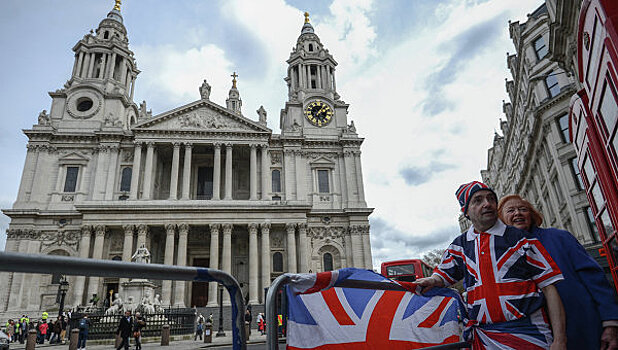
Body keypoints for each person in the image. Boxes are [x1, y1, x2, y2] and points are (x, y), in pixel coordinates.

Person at [415, 181, 566, 349]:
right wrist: (432, 280)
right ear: (466, 211)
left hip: (530, 334)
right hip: (485, 339)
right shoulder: (459, 246)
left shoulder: (522, 239)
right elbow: (442, 275)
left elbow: (549, 288)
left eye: (490, 199)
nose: (487, 204)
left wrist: (559, 340)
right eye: (478, 200)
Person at [499, 194, 618, 350]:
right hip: (535, 338)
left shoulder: (559, 237)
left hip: (583, 330)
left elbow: (595, 280)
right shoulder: (501, 254)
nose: (518, 213)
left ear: (532, 215)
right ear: (500, 220)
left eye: (523, 209)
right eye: (511, 210)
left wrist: (610, 322)